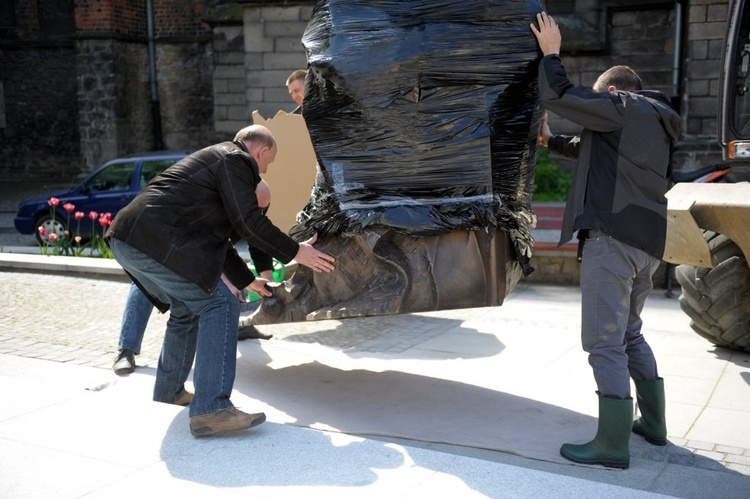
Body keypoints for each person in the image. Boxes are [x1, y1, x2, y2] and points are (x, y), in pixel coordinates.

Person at [106, 124, 335, 437]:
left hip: (131, 238)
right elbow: (249, 223)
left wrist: (246, 281)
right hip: (150, 240)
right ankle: (212, 408)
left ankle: (169, 392)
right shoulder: (235, 159)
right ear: (262, 150)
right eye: (268, 162)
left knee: (187, 309)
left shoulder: (217, 164)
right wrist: (297, 252)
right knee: (219, 304)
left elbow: (222, 241)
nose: (264, 169)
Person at [531, 12, 681, 469]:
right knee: (631, 333)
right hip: (646, 245)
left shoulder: (620, 105)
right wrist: (553, 143)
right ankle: (653, 425)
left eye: (601, 104)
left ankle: (611, 446)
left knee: (604, 341)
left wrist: (551, 53)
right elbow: (598, 152)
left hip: (612, 242)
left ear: (613, 92)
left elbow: (560, 94)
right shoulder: (655, 121)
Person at [112, 181, 276, 377]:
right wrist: (227, 281)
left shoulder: (251, 206)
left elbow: (257, 241)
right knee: (144, 283)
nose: (258, 213)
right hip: (165, 238)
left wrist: (270, 285)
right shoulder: (209, 202)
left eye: (263, 209)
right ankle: (126, 350)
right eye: (255, 208)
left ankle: (239, 326)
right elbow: (208, 248)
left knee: (236, 273)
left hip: (205, 245)